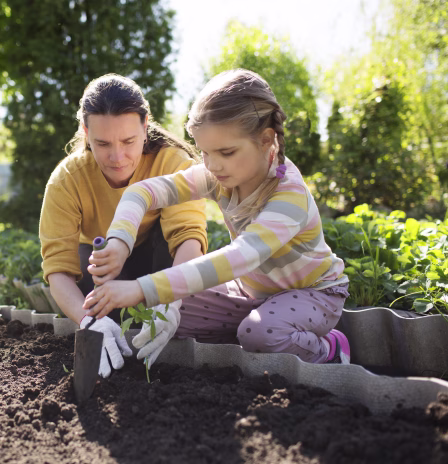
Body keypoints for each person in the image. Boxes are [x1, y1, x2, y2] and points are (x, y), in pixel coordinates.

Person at [83, 69, 351, 368]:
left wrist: (140, 287)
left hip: (314, 295)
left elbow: (241, 257)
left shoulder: (289, 195)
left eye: (226, 151)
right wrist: (120, 241)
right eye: (204, 152)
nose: (212, 165)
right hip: (250, 291)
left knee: (259, 333)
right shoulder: (217, 176)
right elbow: (142, 192)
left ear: (266, 140)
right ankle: (249, 332)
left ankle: (330, 348)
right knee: (165, 313)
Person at [40, 74, 208, 377]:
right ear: (85, 132)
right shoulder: (68, 179)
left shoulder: (173, 163)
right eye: (102, 143)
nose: (117, 157)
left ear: (145, 127)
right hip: (104, 266)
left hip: (157, 262)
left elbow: (188, 238)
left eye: (129, 141)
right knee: (89, 273)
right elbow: (58, 269)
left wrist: (171, 297)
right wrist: (87, 321)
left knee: (169, 253)